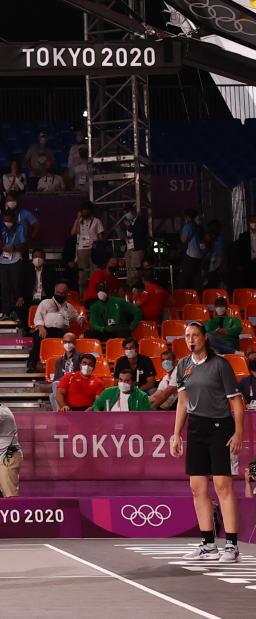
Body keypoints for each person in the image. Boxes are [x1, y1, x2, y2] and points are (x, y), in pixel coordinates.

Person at [170, 321, 245, 563]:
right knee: (197, 488)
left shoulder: (220, 364)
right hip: (196, 428)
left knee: (223, 485)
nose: (190, 340)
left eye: (194, 335)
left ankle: (231, 545)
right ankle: (208, 544)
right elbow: (182, 402)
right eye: (187, 336)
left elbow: (236, 402)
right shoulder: (183, 366)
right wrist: (176, 434)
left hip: (220, 428)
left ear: (204, 338)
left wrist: (238, 432)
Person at [27, 281, 84, 372]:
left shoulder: (69, 307)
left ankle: (71, 366)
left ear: (66, 294)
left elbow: (77, 316)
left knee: (70, 341)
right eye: (58, 293)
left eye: (62, 293)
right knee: (38, 337)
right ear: (54, 291)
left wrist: (81, 319)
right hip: (46, 329)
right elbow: (38, 316)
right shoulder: (45, 303)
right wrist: (41, 327)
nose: (60, 295)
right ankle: (31, 364)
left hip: (62, 331)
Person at [0, 209, 28, 321]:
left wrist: (13, 248)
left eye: (9, 220)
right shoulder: (2, 228)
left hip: (15, 259)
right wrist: (0, 245)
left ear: (13, 219)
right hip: (3, 260)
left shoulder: (20, 228)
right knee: (5, 287)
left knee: (16, 286)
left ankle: (16, 312)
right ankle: (6, 312)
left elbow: (24, 245)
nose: (7, 222)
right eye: (5, 220)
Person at [71, 202, 104, 293]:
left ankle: (95, 293)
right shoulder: (79, 221)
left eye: (86, 210)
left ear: (90, 211)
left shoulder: (96, 221)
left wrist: (98, 244)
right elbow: (73, 233)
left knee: (95, 272)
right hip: (82, 249)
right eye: (83, 211)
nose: (84, 212)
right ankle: (83, 294)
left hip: (94, 248)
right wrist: (78, 219)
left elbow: (101, 236)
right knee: (82, 273)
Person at [49, 333, 82, 411]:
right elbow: (56, 379)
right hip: (63, 386)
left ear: (75, 343)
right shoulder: (59, 361)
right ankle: (61, 410)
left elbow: (83, 375)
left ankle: (59, 412)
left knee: (55, 393)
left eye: (70, 342)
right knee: (53, 392)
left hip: (76, 385)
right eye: (65, 342)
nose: (67, 344)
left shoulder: (81, 357)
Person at [121, 204, 149, 284]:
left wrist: (129, 226)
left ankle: (136, 286)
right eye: (125, 212)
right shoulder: (128, 222)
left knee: (135, 268)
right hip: (129, 247)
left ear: (133, 211)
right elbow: (128, 235)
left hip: (138, 248)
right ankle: (130, 286)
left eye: (128, 211)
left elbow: (139, 232)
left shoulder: (141, 220)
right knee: (129, 268)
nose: (127, 214)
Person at [178, 209, 204, 291]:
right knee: (197, 279)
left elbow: (183, 240)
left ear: (186, 217)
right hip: (199, 256)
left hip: (191, 255)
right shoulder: (198, 227)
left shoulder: (188, 226)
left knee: (183, 278)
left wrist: (180, 232)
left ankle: (181, 296)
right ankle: (199, 297)